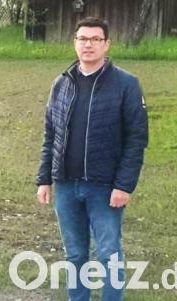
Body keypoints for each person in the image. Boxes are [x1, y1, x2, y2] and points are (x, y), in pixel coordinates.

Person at [36, 17, 149, 301]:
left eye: (95, 39)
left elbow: (137, 139)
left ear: (106, 44)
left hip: (105, 188)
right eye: (82, 39)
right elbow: (51, 134)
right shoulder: (62, 84)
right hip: (67, 186)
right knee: (75, 254)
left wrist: (124, 186)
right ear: (75, 42)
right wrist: (44, 179)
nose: (88, 44)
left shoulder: (126, 84)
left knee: (109, 254)